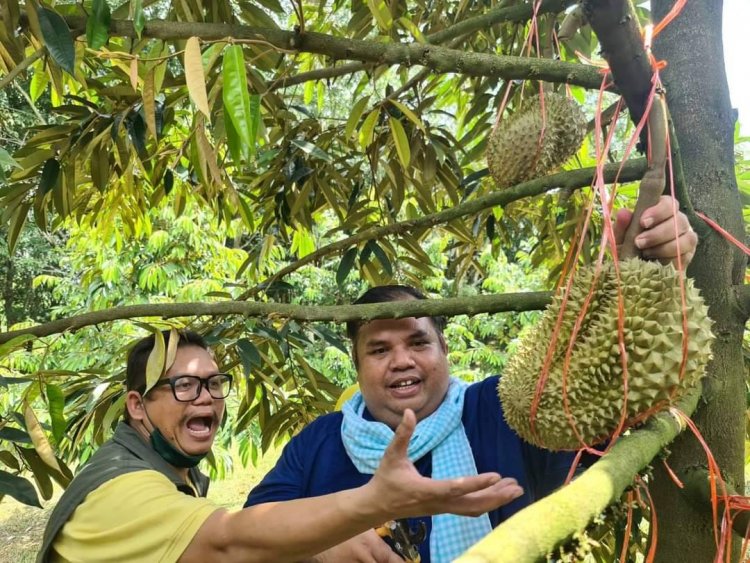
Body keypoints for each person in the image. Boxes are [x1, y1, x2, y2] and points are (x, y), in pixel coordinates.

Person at [244, 196, 698, 563]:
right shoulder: (319, 442)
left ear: (445, 349)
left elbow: (607, 388)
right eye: (379, 350)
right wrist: (318, 548)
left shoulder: (507, 407)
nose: (401, 361)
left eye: (418, 343)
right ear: (356, 364)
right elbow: (247, 534)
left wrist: (654, 270)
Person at [37, 330, 525, 563]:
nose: (205, 398)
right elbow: (234, 538)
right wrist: (377, 503)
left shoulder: (491, 405)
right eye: (184, 386)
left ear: (445, 352)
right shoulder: (120, 489)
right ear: (138, 407)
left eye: (214, 384)